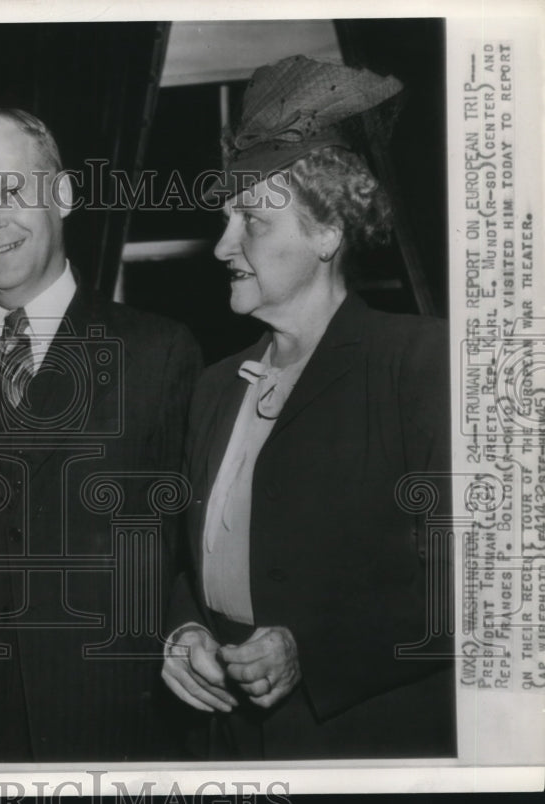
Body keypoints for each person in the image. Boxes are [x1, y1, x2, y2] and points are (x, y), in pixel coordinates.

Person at [0, 107, 203, 761]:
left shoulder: (160, 354)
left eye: (11, 190)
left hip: (113, 734)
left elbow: (186, 556)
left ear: (64, 194)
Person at [161, 55, 455, 759]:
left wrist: (308, 649)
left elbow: (472, 584)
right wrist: (183, 632)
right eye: (226, 217)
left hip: (364, 742)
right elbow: (190, 561)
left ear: (327, 234)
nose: (223, 243)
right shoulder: (215, 386)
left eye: (253, 221)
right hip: (226, 741)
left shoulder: (416, 362)